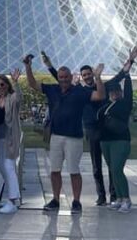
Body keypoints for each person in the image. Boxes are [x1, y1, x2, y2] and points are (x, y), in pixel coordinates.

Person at [42, 46, 137, 206]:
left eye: (89, 74)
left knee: (111, 165)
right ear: (81, 77)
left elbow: (120, 75)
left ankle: (114, 195)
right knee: (96, 166)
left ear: (93, 75)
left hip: (106, 130)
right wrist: (49, 65)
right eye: (85, 75)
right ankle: (101, 195)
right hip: (91, 131)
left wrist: (131, 60)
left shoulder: (102, 86)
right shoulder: (79, 90)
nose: (87, 77)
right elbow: (60, 79)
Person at [25, 55, 105, 214]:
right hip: (56, 136)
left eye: (66, 77)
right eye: (60, 77)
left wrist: (98, 78)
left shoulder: (80, 92)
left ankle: (76, 201)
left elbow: (100, 95)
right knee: (55, 170)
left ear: (71, 77)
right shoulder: (52, 89)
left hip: (73, 137)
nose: (63, 80)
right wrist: (28, 66)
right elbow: (33, 84)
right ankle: (55, 199)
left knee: (74, 170)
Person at [97, 74, 134, 213]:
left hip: (120, 140)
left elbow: (128, 91)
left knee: (118, 169)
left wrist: (127, 75)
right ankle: (119, 198)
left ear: (121, 92)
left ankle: (126, 199)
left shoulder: (125, 103)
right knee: (113, 170)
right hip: (105, 141)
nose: (114, 93)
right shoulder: (105, 105)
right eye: (112, 91)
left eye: (117, 91)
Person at [0, 69, 22, 214]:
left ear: (7, 85)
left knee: (9, 166)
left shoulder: (12, 98)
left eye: (2, 84)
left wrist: (16, 82)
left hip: (11, 137)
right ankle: (11, 196)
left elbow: (19, 98)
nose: (0, 87)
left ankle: (12, 200)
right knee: (2, 167)